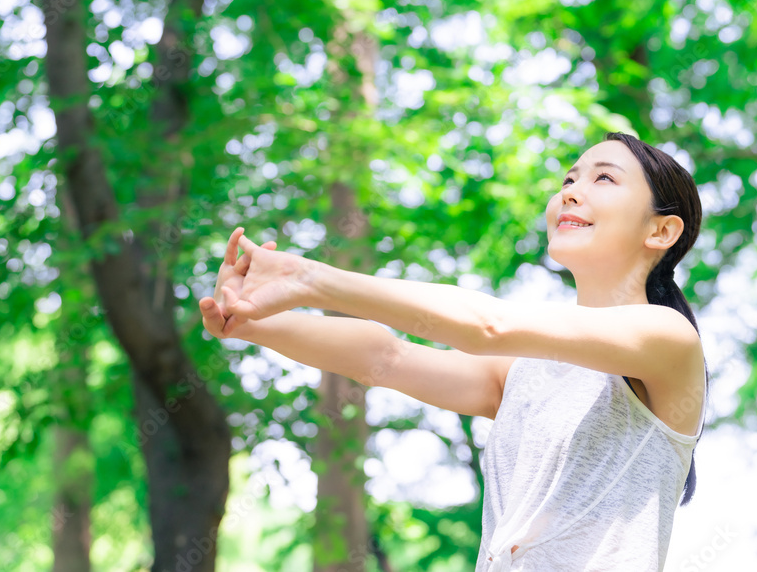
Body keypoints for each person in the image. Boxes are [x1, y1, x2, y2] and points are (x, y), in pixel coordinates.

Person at [199, 131, 707, 571]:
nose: (571, 193)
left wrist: (312, 279)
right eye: (569, 180)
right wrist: (252, 324)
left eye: (603, 179)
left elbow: (487, 324)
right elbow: (386, 358)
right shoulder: (525, 372)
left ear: (661, 230)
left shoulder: (667, 338)